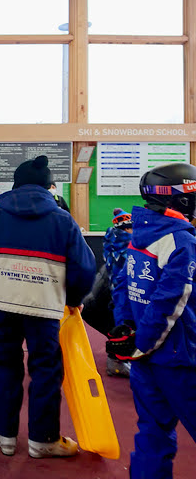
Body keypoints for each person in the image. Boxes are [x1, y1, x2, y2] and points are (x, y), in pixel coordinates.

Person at [0, 155, 96, 459]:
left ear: (16, 184)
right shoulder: (63, 220)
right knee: (46, 370)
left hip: (1, 302)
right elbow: (85, 268)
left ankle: (5, 435)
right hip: (44, 306)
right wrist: (73, 298)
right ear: (47, 186)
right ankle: (43, 439)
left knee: (4, 365)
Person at [107, 163, 196, 479]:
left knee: (152, 434)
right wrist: (143, 343)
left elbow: (122, 287)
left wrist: (128, 333)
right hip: (176, 359)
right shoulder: (181, 240)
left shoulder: (137, 235)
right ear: (182, 198)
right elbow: (169, 301)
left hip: (143, 358)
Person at [82, 208, 133, 378]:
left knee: (119, 327)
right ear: (126, 228)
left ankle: (118, 361)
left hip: (105, 294)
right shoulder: (128, 246)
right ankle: (117, 362)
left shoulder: (112, 240)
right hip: (118, 295)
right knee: (122, 327)